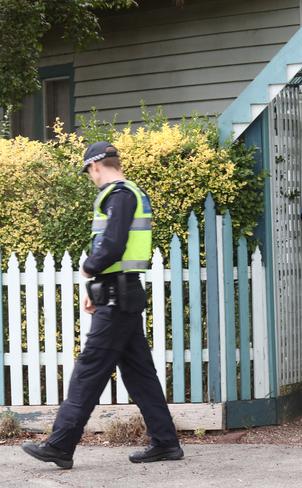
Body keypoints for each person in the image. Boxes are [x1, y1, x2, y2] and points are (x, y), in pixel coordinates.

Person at [22, 141, 183, 469]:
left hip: (117, 298)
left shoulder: (119, 195)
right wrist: (96, 287)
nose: (91, 177)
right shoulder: (131, 193)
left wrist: (89, 268)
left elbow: (112, 244)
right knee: (140, 375)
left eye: (89, 172)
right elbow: (120, 252)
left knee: (88, 371)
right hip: (120, 294)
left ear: (96, 166)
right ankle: (166, 442)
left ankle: (60, 444)